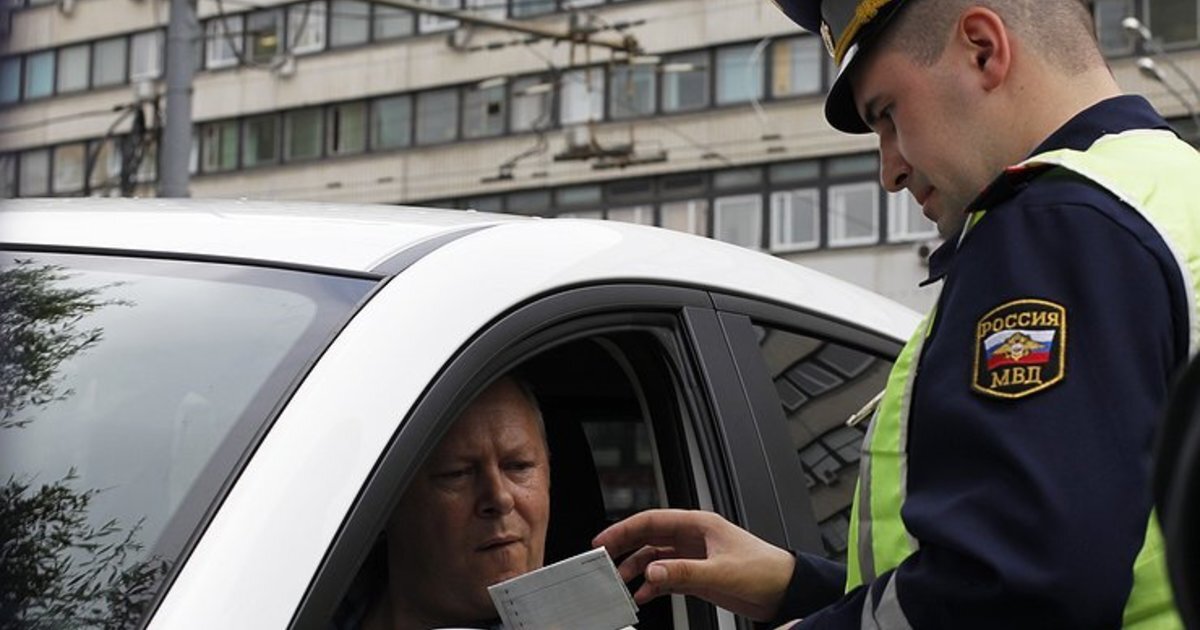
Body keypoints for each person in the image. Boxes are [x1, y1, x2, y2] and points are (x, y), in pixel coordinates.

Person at [594, 0, 1200, 627]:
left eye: (886, 114)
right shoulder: (1169, 192)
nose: (890, 169)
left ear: (983, 49)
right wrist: (798, 586)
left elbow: (1019, 591)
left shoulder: (1054, 227)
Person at [360, 375, 552, 630]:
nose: (500, 497)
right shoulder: (301, 597)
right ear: (385, 499)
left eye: (519, 466)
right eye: (457, 473)